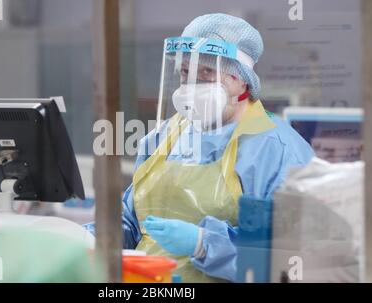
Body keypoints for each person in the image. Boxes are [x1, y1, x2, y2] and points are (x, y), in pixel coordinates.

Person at [85, 13, 314, 282]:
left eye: (207, 72)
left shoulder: (276, 149)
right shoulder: (164, 137)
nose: (193, 84)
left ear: (242, 80)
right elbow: (131, 221)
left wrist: (203, 244)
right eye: (186, 72)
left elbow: (286, 257)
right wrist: (90, 239)